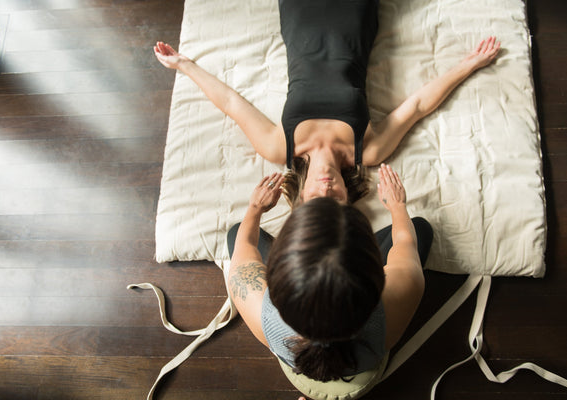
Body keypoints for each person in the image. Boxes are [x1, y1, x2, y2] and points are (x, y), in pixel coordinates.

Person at [153, 0, 500, 206]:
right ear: (348, 198)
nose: (326, 188)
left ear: (300, 197)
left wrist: (185, 66)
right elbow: (420, 105)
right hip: (353, 19)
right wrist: (468, 65)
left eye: (316, 198)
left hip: (302, 17)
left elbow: (230, 102)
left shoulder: (279, 147)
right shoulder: (370, 150)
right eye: (334, 199)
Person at [226, 164, 433, 399]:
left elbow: (244, 246)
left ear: (275, 277)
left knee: (236, 234)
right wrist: (397, 206)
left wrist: (255, 208)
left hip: (303, 372)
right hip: (363, 367)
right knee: (420, 229)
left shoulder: (260, 310)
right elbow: (406, 242)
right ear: (377, 274)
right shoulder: (405, 290)